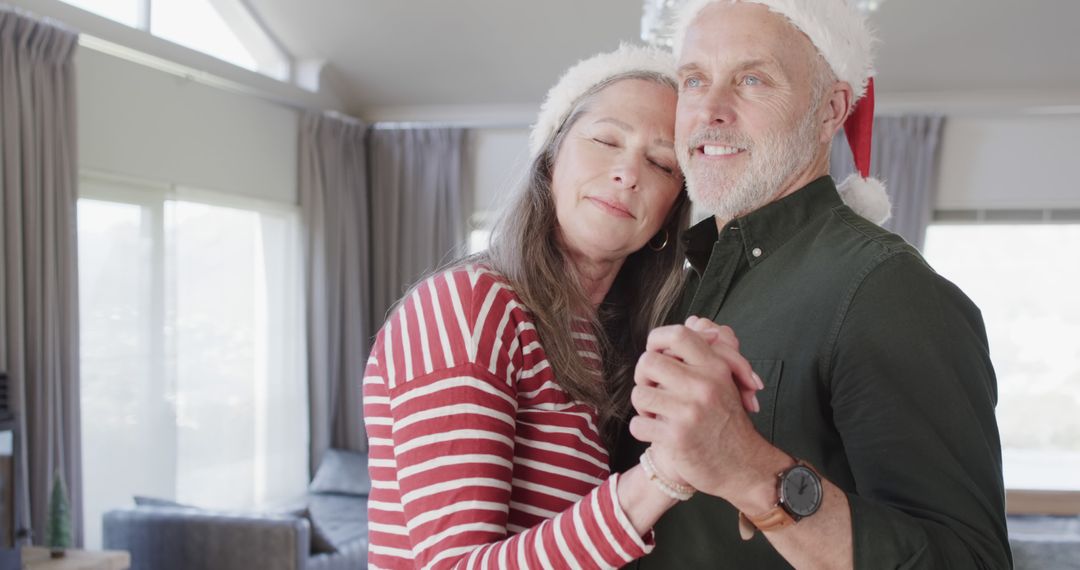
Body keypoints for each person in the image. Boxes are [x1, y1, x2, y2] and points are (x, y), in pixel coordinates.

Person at [618, 1, 1013, 568]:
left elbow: (970, 561)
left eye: (751, 79)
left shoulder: (887, 290)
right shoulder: (672, 287)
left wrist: (752, 469)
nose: (710, 109)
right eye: (694, 79)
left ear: (830, 112)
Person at [362, 44, 763, 569]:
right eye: (604, 140)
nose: (628, 172)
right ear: (551, 157)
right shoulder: (467, 306)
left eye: (661, 162)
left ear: (670, 212)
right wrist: (664, 475)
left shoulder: (606, 338)